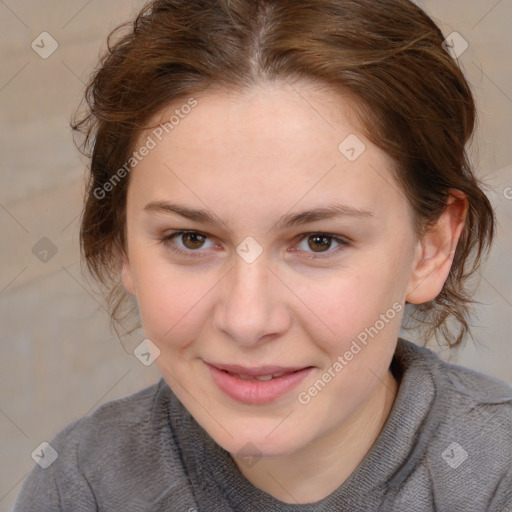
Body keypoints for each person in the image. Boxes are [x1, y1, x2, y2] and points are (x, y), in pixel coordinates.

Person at [12, 0, 512, 510]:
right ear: (122, 243)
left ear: (431, 248)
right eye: (191, 238)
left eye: (320, 241)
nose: (247, 321)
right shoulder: (82, 484)